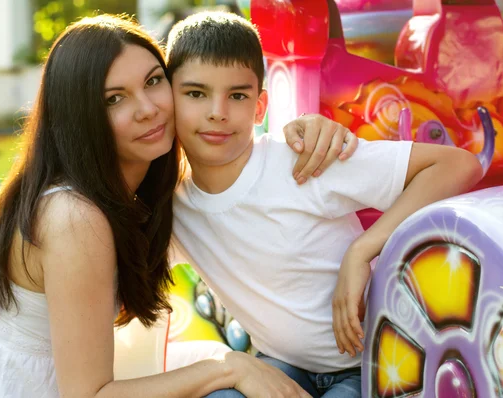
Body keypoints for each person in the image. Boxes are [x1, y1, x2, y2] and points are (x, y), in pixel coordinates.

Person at [0, 14, 358, 398]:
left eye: (152, 81)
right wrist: (228, 366)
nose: (148, 108)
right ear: (81, 118)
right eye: (115, 98)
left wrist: (309, 128)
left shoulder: (146, 196)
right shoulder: (73, 217)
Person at [167, 11, 483, 397]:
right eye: (196, 93)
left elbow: (457, 165)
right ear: (169, 101)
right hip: (280, 366)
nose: (217, 111)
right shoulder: (175, 207)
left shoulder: (302, 160)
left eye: (237, 95)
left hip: (366, 366)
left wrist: (363, 249)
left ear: (260, 107)